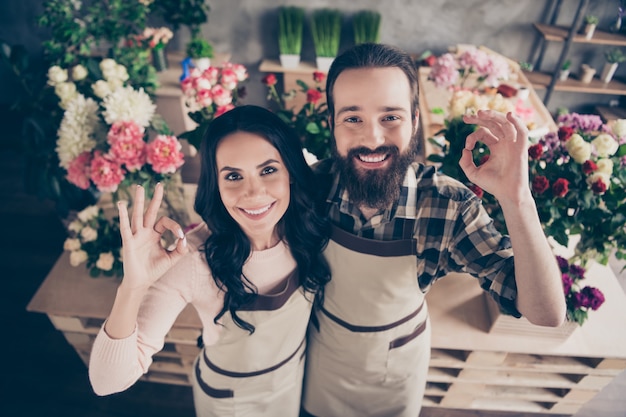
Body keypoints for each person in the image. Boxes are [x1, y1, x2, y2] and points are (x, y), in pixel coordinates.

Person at [301, 43, 567, 417]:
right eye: (353, 118)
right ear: (332, 123)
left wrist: (517, 199)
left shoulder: (447, 206)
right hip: (320, 370)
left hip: (393, 382)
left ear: (414, 120)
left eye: (390, 117)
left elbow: (546, 312)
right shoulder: (309, 188)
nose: (373, 138)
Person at [88, 105, 331, 417]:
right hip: (230, 400)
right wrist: (133, 286)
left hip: (291, 383)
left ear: (292, 174)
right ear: (215, 186)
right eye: (233, 176)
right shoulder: (194, 260)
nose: (253, 192)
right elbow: (107, 382)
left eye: (268, 170)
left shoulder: (307, 227)